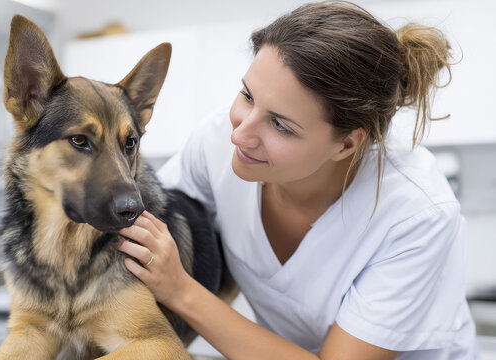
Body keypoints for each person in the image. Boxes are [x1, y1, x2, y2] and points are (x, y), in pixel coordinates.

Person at [117, 1, 477, 359]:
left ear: (347, 143)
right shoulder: (214, 144)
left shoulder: (418, 214)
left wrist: (180, 290)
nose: (240, 135)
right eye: (247, 95)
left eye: (280, 125)